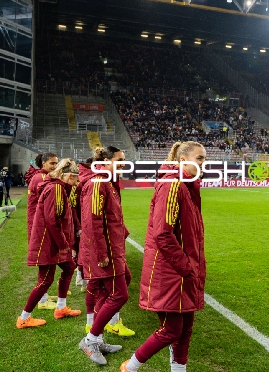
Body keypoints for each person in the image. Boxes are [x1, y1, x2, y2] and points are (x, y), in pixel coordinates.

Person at [120, 141, 207, 372]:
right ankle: (130, 366)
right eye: (199, 158)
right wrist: (187, 267)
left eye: (204, 159)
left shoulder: (187, 185)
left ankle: (178, 370)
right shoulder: (172, 185)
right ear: (183, 160)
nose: (203, 163)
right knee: (171, 330)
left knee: (186, 328)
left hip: (183, 271)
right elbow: (162, 234)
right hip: (171, 271)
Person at [78, 147, 134, 366]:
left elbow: (110, 217)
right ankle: (90, 340)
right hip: (104, 251)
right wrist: (101, 252)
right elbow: (92, 221)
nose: (123, 163)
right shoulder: (98, 183)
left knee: (118, 285)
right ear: (105, 160)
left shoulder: (108, 181)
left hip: (113, 247)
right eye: (120, 159)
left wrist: (122, 233)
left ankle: (97, 338)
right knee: (120, 295)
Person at [16, 158, 81, 329]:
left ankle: (61, 308)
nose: (77, 182)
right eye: (76, 178)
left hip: (52, 241)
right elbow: (53, 220)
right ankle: (24, 318)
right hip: (49, 242)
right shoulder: (56, 188)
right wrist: (63, 243)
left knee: (69, 267)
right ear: (69, 176)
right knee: (45, 280)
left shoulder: (57, 187)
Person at [25, 152, 60, 310]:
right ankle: (42, 300)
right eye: (52, 163)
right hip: (40, 226)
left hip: (39, 224)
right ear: (43, 163)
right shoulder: (41, 178)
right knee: (45, 261)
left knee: (48, 261)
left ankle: (44, 295)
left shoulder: (41, 176)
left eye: (56, 163)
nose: (55, 166)